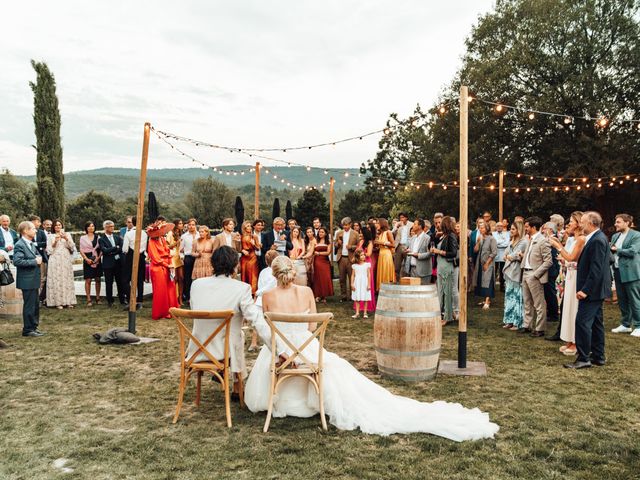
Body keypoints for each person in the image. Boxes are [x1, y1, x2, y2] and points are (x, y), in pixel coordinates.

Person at [244, 255, 499, 441]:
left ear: (274, 274)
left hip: (281, 353)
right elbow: (311, 327)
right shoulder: (307, 291)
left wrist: (286, 350)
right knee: (340, 372)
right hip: (308, 351)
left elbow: (269, 330)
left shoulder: (267, 297)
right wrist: (301, 346)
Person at [189, 246, 272, 395]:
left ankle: (235, 383)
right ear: (235, 265)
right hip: (225, 352)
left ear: (213, 263)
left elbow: (196, 309)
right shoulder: (242, 288)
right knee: (237, 334)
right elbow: (257, 320)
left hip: (198, 348)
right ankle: (237, 384)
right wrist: (277, 348)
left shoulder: (196, 285)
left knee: (233, 331)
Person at [565, 211, 611, 369]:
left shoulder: (597, 240)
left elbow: (596, 269)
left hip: (592, 290)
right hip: (596, 290)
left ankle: (584, 358)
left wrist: (585, 289)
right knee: (597, 324)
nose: (580, 225)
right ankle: (598, 356)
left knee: (582, 322)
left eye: (583, 222)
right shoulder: (598, 238)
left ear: (591, 223)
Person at [549, 212, 585, 356]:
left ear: (579, 223)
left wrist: (558, 245)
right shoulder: (572, 239)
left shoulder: (581, 239)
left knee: (575, 308)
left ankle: (577, 342)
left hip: (577, 277)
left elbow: (572, 257)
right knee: (568, 308)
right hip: (569, 276)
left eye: (571, 221)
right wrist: (563, 260)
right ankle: (569, 340)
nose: (568, 224)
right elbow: (569, 259)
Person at [520, 216, 552, 337]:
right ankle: (527, 325)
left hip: (534, 275)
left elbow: (548, 261)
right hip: (525, 272)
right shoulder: (530, 239)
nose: (525, 229)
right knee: (527, 302)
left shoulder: (543, 240)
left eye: (527, 226)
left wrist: (536, 274)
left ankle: (540, 328)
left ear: (533, 227)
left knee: (539, 304)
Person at [609, 213, 640, 337]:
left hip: (631, 272)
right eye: (616, 222)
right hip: (617, 270)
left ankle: (638, 325)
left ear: (627, 223)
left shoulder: (636, 235)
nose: (616, 224)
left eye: (618, 222)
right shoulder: (615, 235)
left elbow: (633, 251)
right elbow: (611, 248)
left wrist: (617, 250)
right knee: (622, 299)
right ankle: (626, 324)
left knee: (634, 299)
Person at [13, 221, 44, 337]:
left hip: (33, 280)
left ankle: (34, 327)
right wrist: (34, 261)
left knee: (35, 305)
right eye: (32, 228)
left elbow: (36, 256)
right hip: (27, 281)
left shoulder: (31, 243)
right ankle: (27, 330)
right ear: (25, 231)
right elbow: (17, 261)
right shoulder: (20, 244)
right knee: (29, 306)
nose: (35, 230)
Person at [146, 220, 179, 320]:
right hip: (158, 267)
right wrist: (166, 264)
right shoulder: (151, 242)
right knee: (161, 290)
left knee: (170, 287)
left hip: (167, 265)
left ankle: (171, 309)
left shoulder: (162, 239)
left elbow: (167, 250)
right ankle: (162, 312)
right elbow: (155, 258)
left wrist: (170, 262)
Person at [431, 216, 459, 325]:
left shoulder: (451, 236)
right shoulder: (444, 236)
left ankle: (447, 317)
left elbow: (453, 253)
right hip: (441, 266)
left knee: (447, 292)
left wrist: (439, 251)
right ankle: (446, 313)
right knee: (441, 291)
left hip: (446, 266)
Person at [251, 249, 279, 351]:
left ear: (266, 261)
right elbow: (269, 287)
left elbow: (260, 285)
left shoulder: (263, 271)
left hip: (261, 299)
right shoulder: (275, 272)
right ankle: (264, 342)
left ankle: (254, 342)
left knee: (258, 321)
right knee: (270, 321)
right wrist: (258, 293)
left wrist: (258, 295)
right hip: (270, 298)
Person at [502, 220, 528, 330]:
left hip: (517, 271)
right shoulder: (511, 240)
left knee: (517, 297)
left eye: (513, 229)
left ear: (519, 230)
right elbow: (505, 254)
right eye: (510, 229)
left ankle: (517, 322)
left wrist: (510, 256)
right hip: (509, 271)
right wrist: (509, 256)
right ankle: (509, 320)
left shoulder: (523, 241)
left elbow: (515, 256)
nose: (510, 231)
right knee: (509, 296)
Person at [45, 219, 77, 309]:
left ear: (62, 226)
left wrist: (66, 239)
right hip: (55, 259)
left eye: (59, 225)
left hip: (65, 259)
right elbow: (49, 251)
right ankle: (58, 302)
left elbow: (72, 247)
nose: (58, 226)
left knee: (66, 279)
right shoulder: (50, 236)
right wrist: (55, 241)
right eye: (56, 225)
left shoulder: (67, 235)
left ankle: (68, 301)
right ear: (53, 227)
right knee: (57, 279)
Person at [99, 220, 127, 307]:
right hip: (108, 264)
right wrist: (115, 248)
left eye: (113, 226)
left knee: (120, 282)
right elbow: (104, 251)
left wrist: (111, 251)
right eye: (111, 226)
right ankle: (110, 301)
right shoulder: (101, 239)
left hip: (118, 263)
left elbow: (121, 248)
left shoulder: (117, 237)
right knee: (109, 283)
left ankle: (122, 300)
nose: (112, 228)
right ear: (106, 228)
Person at [122, 215, 148, 308]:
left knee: (124, 280)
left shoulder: (128, 234)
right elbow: (145, 247)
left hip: (130, 257)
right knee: (140, 280)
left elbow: (125, 249)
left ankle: (131, 299)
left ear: (132, 222)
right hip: (141, 257)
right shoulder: (145, 234)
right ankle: (140, 301)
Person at [473, 222, 497, 309]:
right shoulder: (481, 238)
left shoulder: (492, 239)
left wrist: (487, 263)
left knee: (488, 281)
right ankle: (485, 299)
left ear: (487, 229)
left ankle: (487, 302)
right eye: (479, 228)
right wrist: (478, 242)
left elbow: (494, 253)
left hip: (488, 264)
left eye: (482, 228)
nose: (480, 229)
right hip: (480, 264)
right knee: (482, 281)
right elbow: (475, 250)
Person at [79, 221, 102, 306]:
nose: (91, 228)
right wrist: (86, 259)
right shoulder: (82, 238)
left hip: (97, 258)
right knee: (88, 279)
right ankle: (88, 299)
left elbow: (101, 249)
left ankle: (98, 298)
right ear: (86, 228)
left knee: (98, 279)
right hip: (87, 258)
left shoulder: (98, 237)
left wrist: (98, 258)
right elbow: (81, 250)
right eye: (89, 226)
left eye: (92, 226)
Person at [336, 217, 358, 302]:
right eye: (343, 225)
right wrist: (338, 243)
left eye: (346, 225)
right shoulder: (339, 233)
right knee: (342, 278)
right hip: (341, 257)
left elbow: (359, 246)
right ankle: (343, 296)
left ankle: (353, 295)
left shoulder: (355, 233)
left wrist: (351, 247)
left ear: (350, 224)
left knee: (351, 278)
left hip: (351, 258)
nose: (344, 227)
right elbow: (335, 244)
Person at [542, 222, 561, 323]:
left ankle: (553, 314)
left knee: (550, 292)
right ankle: (550, 312)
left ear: (550, 230)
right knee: (548, 292)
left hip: (552, 268)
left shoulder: (552, 239)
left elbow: (553, 255)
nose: (543, 231)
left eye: (544, 229)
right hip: (551, 268)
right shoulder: (550, 239)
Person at [29, 215, 49, 305]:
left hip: (42, 259)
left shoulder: (41, 232)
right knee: (33, 279)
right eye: (38, 222)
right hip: (31, 259)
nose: (39, 224)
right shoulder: (26, 231)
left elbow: (45, 243)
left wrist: (36, 244)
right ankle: (33, 298)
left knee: (42, 279)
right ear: (33, 222)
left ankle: (40, 298)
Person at [404, 218, 431, 284]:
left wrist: (418, 255)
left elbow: (430, 253)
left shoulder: (427, 238)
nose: (412, 226)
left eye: (414, 224)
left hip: (423, 271)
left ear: (420, 226)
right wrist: (408, 251)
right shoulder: (413, 238)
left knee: (423, 292)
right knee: (413, 292)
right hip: (412, 270)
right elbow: (411, 250)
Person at [312, 227, 333, 303]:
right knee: (318, 277)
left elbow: (328, 252)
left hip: (325, 261)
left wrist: (319, 253)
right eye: (319, 232)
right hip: (317, 261)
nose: (320, 233)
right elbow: (312, 250)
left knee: (325, 277)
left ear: (325, 233)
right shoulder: (316, 241)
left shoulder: (328, 242)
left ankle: (324, 295)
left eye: (322, 232)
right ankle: (318, 295)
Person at [180, 218, 199, 302]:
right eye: (189, 225)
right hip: (188, 258)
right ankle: (188, 297)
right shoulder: (184, 236)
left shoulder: (200, 234)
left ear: (195, 225)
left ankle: (198, 296)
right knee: (188, 278)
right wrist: (182, 258)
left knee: (198, 278)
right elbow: (180, 249)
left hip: (198, 258)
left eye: (193, 225)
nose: (191, 226)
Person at [166, 219, 184, 303]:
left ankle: (180, 297)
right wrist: (176, 243)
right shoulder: (170, 233)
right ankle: (174, 298)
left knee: (181, 277)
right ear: (175, 224)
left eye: (182, 223)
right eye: (179, 223)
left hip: (179, 256)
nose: (181, 225)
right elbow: (167, 246)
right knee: (175, 278)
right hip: (172, 256)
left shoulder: (182, 233)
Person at [240, 220, 260, 294]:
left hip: (252, 257)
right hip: (244, 258)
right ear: (244, 227)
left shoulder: (254, 236)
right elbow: (238, 247)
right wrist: (242, 250)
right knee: (244, 275)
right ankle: (244, 292)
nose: (250, 227)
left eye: (250, 226)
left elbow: (258, 248)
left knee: (253, 275)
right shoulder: (241, 236)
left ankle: (253, 292)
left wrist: (253, 244)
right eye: (248, 226)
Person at [375, 219, 396, 291]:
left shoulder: (388, 232)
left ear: (382, 224)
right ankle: (382, 289)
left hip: (387, 255)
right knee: (381, 272)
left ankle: (388, 289)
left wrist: (381, 243)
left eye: (378, 223)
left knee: (386, 272)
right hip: (381, 254)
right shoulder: (380, 234)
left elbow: (393, 244)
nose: (376, 225)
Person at [351, 249, 371, 318]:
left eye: (363, 255)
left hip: (364, 282)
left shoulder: (367, 265)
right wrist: (352, 284)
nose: (363, 256)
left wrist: (369, 284)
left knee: (365, 298)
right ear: (357, 257)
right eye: (361, 255)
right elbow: (353, 275)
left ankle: (365, 313)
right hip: (357, 283)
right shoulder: (354, 266)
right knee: (357, 298)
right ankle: (357, 313)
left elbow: (368, 275)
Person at [392, 213, 413, 280]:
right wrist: (396, 227)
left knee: (407, 266)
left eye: (403, 217)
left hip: (408, 247)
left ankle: (407, 281)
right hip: (399, 246)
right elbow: (392, 233)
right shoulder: (398, 225)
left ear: (406, 218)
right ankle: (397, 281)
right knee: (396, 266)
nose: (401, 219)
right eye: (400, 218)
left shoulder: (412, 224)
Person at [492, 221, 510, 292]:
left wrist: (498, 243)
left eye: (501, 226)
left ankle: (502, 286)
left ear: (503, 227)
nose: (499, 227)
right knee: (494, 271)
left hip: (503, 255)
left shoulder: (507, 234)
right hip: (495, 255)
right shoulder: (493, 234)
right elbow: (494, 243)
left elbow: (507, 244)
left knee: (502, 271)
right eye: (498, 226)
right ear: (496, 227)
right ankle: (492, 287)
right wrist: (501, 242)